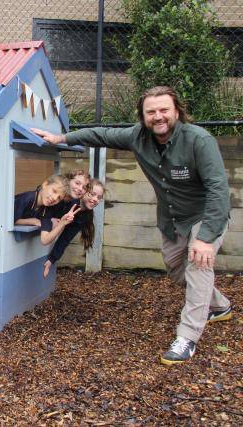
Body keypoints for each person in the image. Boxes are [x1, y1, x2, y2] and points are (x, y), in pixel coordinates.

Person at [33, 85, 232, 365]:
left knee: (198, 265)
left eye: (164, 110)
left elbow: (218, 190)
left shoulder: (199, 140)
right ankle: (220, 305)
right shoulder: (137, 137)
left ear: (177, 111)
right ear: (143, 115)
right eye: (151, 112)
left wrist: (207, 237)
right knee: (177, 272)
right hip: (172, 220)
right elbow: (99, 133)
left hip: (204, 215)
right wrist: (60, 137)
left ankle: (187, 338)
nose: (158, 116)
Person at [42, 179, 105, 278]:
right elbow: (46, 210)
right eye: (92, 194)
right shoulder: (69, 200)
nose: (95, 199)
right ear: (84, 191)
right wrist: (50, 221)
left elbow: (66, 238)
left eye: (99, 197)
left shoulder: (83, 215)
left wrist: (51, 260)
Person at [14, 174, 75, 245]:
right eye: (54, 191)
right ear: (45, 184)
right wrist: (32, 221)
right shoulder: (27, 198)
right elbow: (7, 221)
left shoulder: (47, 209)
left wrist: (62, 224)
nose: (55, 198)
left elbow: (45, 240)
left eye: (59, 198)